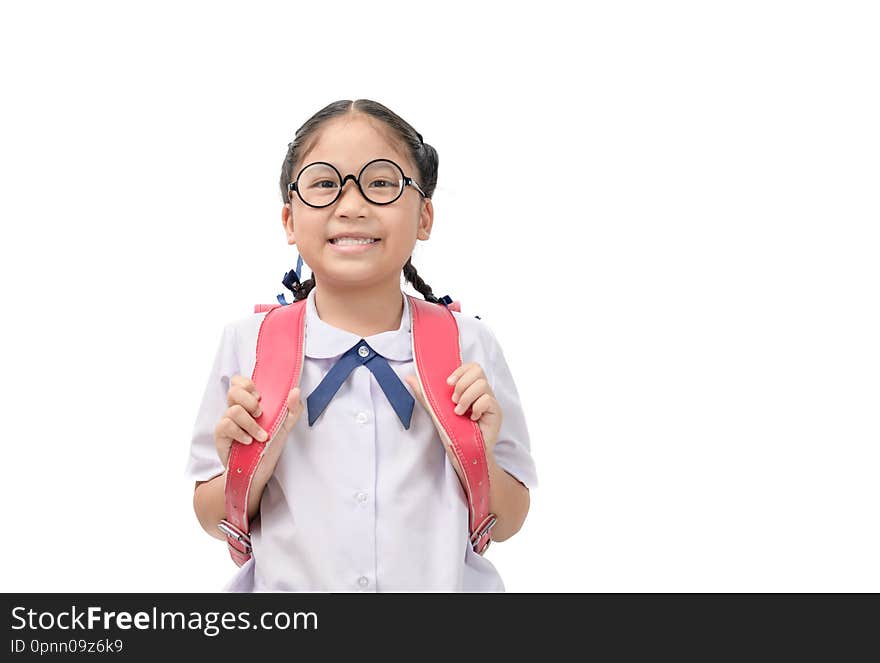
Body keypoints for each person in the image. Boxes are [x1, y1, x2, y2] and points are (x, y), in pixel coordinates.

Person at [183, 99, 538, 592]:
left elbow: (509, 519)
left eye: (382, 183)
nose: (352, 205)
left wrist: (472, 449)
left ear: (424, 218)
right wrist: (248, 465)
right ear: (289, 219)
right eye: (325, 184)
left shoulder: (469, 345)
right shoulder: (250, 345)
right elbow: (210, 513)